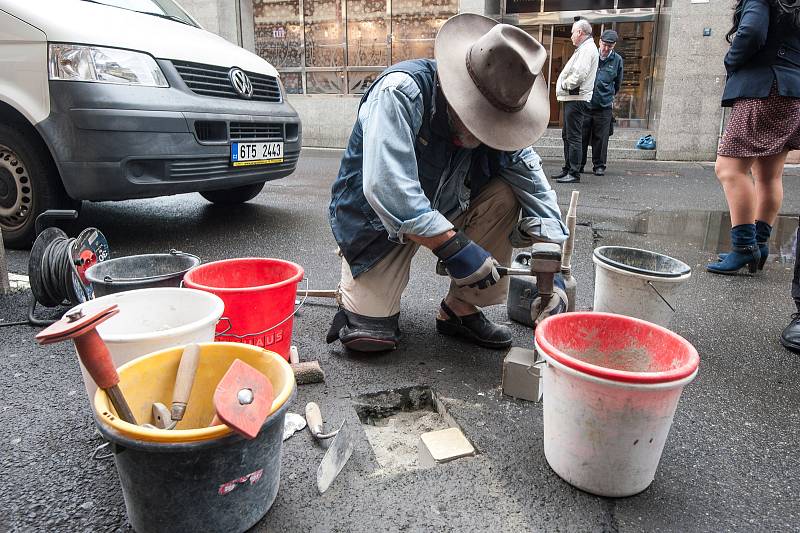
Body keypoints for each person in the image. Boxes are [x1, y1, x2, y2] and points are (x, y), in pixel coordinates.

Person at [326, 14, 568, 353]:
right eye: (478, 116)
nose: (484, 130)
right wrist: (455, 247)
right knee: (369, 340)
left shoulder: (504, 118)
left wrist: (550, 273)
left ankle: (459, 308)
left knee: (508, 192)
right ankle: (356, 293)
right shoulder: (400, 92)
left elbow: (537, 191)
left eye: (493, 121)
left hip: (449, 206)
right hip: (379, 221)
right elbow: (388, 188)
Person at [707, 0, 800, 277]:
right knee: (769, 174)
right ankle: (759, 243)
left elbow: (752, 33)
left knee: (729, 169)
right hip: (792, 90)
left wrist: (731, 61)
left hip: (764, 89)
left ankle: (745, 247)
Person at [551, 19, 599, 185]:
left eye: (572, 32)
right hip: (574, 98)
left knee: (573, 136)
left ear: (580, 33)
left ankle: (574, 172)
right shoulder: (585, 48)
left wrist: (565, 84)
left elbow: (579, 74)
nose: (571, 35)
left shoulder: (587, 49)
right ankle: (568, 169)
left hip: (576, 98)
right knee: (568, 135)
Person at [580, 29, 624, 177]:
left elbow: (617, 84)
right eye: (604, 45)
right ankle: (579, 164)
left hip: (604, 106)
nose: (606, 49)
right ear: (599, 42)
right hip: (586, 103)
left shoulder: (617, 60)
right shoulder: (591, 55)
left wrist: (608, 95)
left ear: (614, 46)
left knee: (601, 138)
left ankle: (599, 166)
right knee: (582, 136)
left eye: (609, 46)